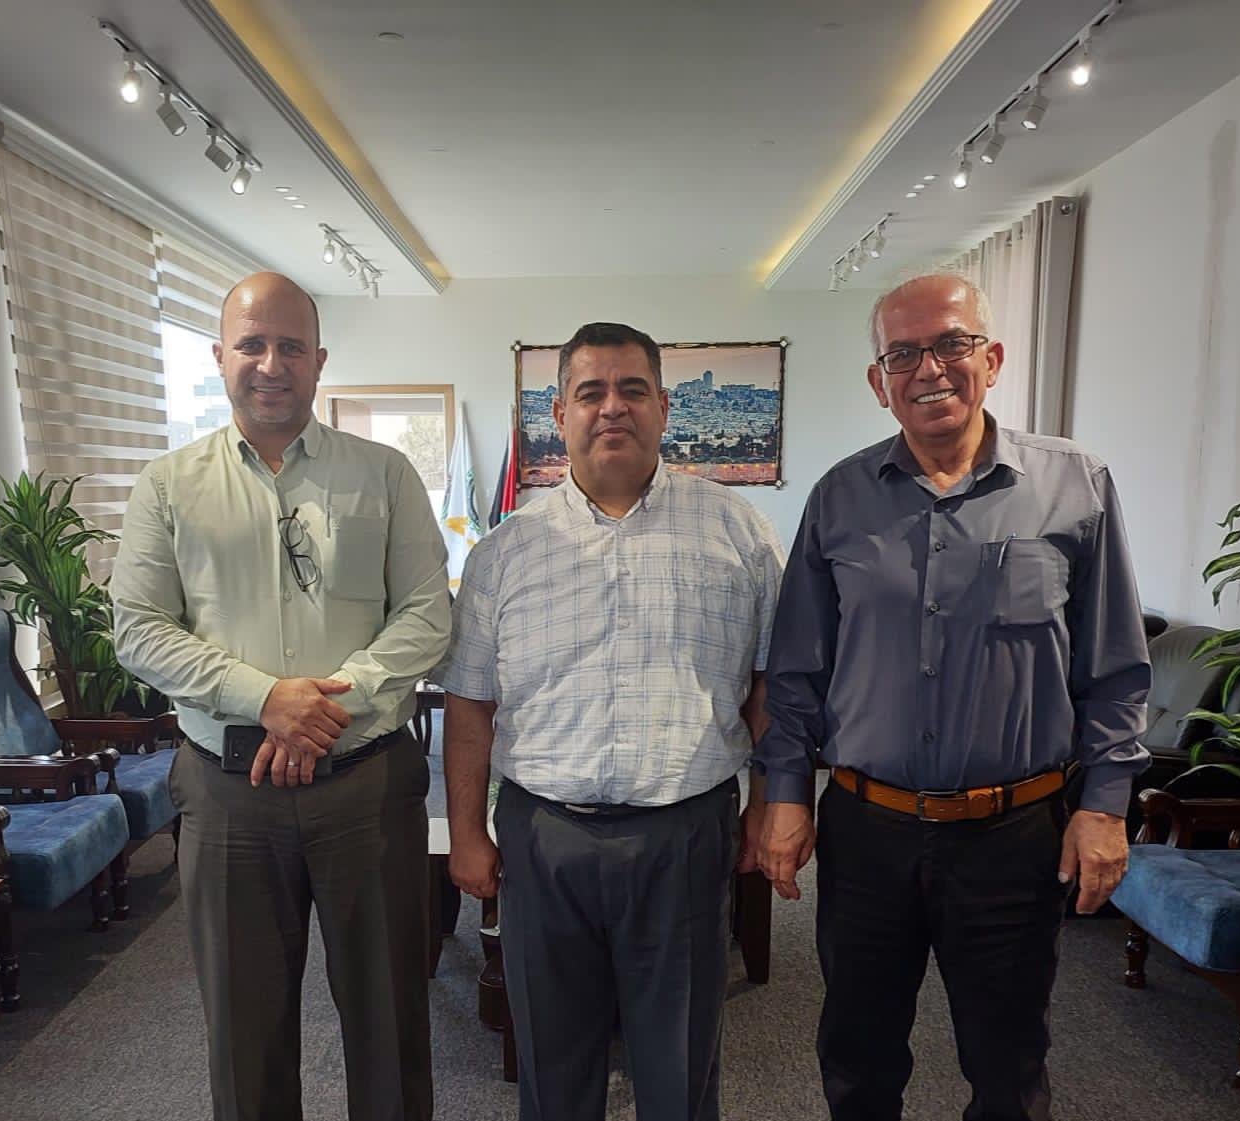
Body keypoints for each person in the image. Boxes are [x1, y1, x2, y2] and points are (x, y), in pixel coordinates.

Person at [754, 273, 1151, 1121]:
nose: (929, 368)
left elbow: (1116, 670)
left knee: (1009, 1069)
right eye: (903, 353)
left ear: (992, 358)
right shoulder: (838, 498)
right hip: (867, 830)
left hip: (1013, 835)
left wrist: (1106, 805)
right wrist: (784, 793)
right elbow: (795, 674)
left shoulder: (1075, 486)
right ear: (879, 381)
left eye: (950, 344)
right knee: (857, 1060)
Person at [113, 271, 449, 1121]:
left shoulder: (385, 475)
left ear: (320, 360)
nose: (271, 364)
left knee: (391, 1025)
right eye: (252, 345)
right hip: (229, 795)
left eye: (291, 346)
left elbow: (426, 616)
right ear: (219, 356)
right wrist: (265, 698)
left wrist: (328, 706)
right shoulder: (168, 485)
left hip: (366, 787)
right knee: (244, 1038)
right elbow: (139, 629)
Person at [438, 321, 784, 1121]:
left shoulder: (738, 532)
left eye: (632, 390)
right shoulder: (504, 552)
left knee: (680, 1072)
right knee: (553, 1073)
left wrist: (768, 804)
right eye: (590, 392)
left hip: (684, 835)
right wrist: (465, 832)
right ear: (560, 414)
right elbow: (470, 703)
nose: (612, 408)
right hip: (543, 840)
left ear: (664, 406)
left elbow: (772, 684)